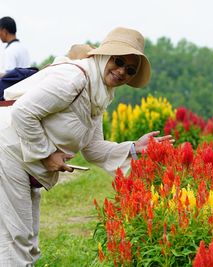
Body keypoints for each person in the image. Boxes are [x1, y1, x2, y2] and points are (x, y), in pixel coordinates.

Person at [0, 27, 173, 266]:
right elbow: (23, 112)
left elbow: (93, 148)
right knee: (14, 237)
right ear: (104, 56)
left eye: (130, 70)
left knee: (26, 239)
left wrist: (134, 147)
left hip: (23, 160)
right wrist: (48, 154)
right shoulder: (75, 79)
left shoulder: (99, 94)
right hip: (7, 150)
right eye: (118, 61)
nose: (121, 71)